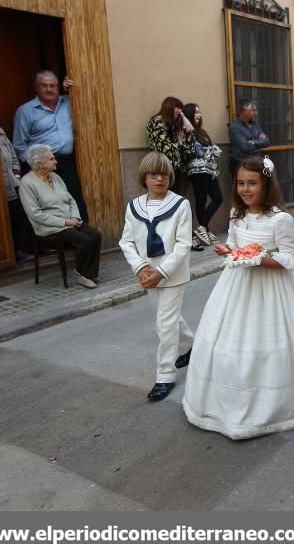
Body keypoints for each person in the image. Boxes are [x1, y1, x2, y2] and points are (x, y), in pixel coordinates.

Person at [183, 155, 294, 438]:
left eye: (252, 183)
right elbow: (234, 244)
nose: (245, 189)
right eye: (241, 183)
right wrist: (228, 250)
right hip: (236, 285)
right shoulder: (236, 214)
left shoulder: (280, 220)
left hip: (271, 289)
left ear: (266, 185)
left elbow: (290, 260)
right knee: (226, 346)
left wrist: (258, 258)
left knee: (269, 350)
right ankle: (223, 403)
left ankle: (272, 407)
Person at [119, 152, 194, 401]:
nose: (159, 179)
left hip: (171, 275)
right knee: (168, 317)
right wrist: (141, 267)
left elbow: (183, 244)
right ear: (144, 177)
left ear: (170, 176)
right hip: (147, 274)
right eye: (153, 174)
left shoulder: (180, 204)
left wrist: (162, 272)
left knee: (164, 323)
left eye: (164, 174)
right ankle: (192, 346)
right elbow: (127, 241)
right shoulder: (134, 206)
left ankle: (165, 376)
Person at [18, 144, 101, 288]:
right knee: (85, 240)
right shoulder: (27, 183)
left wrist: (75, 218)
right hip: (49, 226)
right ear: (39, 163)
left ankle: (86, 272)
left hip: (69, 221)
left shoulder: (55, 177)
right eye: (51, 159)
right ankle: (85, 274)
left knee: (95, 235)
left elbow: (71, 200)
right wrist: (65, 222)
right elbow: (36, 214)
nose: (56, 161)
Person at [13, 71, 88, 220]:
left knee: (75, 201)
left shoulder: (70, 101)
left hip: (66, 162)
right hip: (41, 166)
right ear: (36, 87)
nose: (49, 89)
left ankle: (82, 237)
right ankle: (60, 240)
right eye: (44, 86)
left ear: (58, 87)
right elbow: (19, 145)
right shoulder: (26, 111)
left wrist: (75, 86)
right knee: (51, 206)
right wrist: (35, 166)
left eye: (52, 85)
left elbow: (89, 97)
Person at [182, 103, 223, 250]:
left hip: (210, 169)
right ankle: (201, 234)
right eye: (195, 112)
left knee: (218, 198)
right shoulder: (187, 131)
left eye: (200, 112)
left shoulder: (202, 132)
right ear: (188, 115)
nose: (199, 115)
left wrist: (210, 150)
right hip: (197, 170)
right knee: (201, 201)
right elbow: (199, 152)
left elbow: (210, 149)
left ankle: (200, 231)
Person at [0, 126, 32, 261]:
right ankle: (3, 256)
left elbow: (13, 158)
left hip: (11, 185)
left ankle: (19, 250)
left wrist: (16, 177)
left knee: (18, 217)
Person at [146, 96, 194, 175]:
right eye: (177, 107)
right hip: (162, 166)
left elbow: (190, 130)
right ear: (169, 107)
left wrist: (182, 116)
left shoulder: (173, 124)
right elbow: (165, 148)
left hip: (175, 167)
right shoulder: (157, 121)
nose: (180, 111)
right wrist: (180, 143)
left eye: (181, 108)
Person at [228, 100, 270, 175]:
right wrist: (260, 141)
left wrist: (253, 142)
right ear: (244, 111)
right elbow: (245, 147)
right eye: (253, 110)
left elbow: (267, 142)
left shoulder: (255, 124)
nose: (256, 113)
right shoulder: (234, 127)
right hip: (240, 165)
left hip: (256, 162)